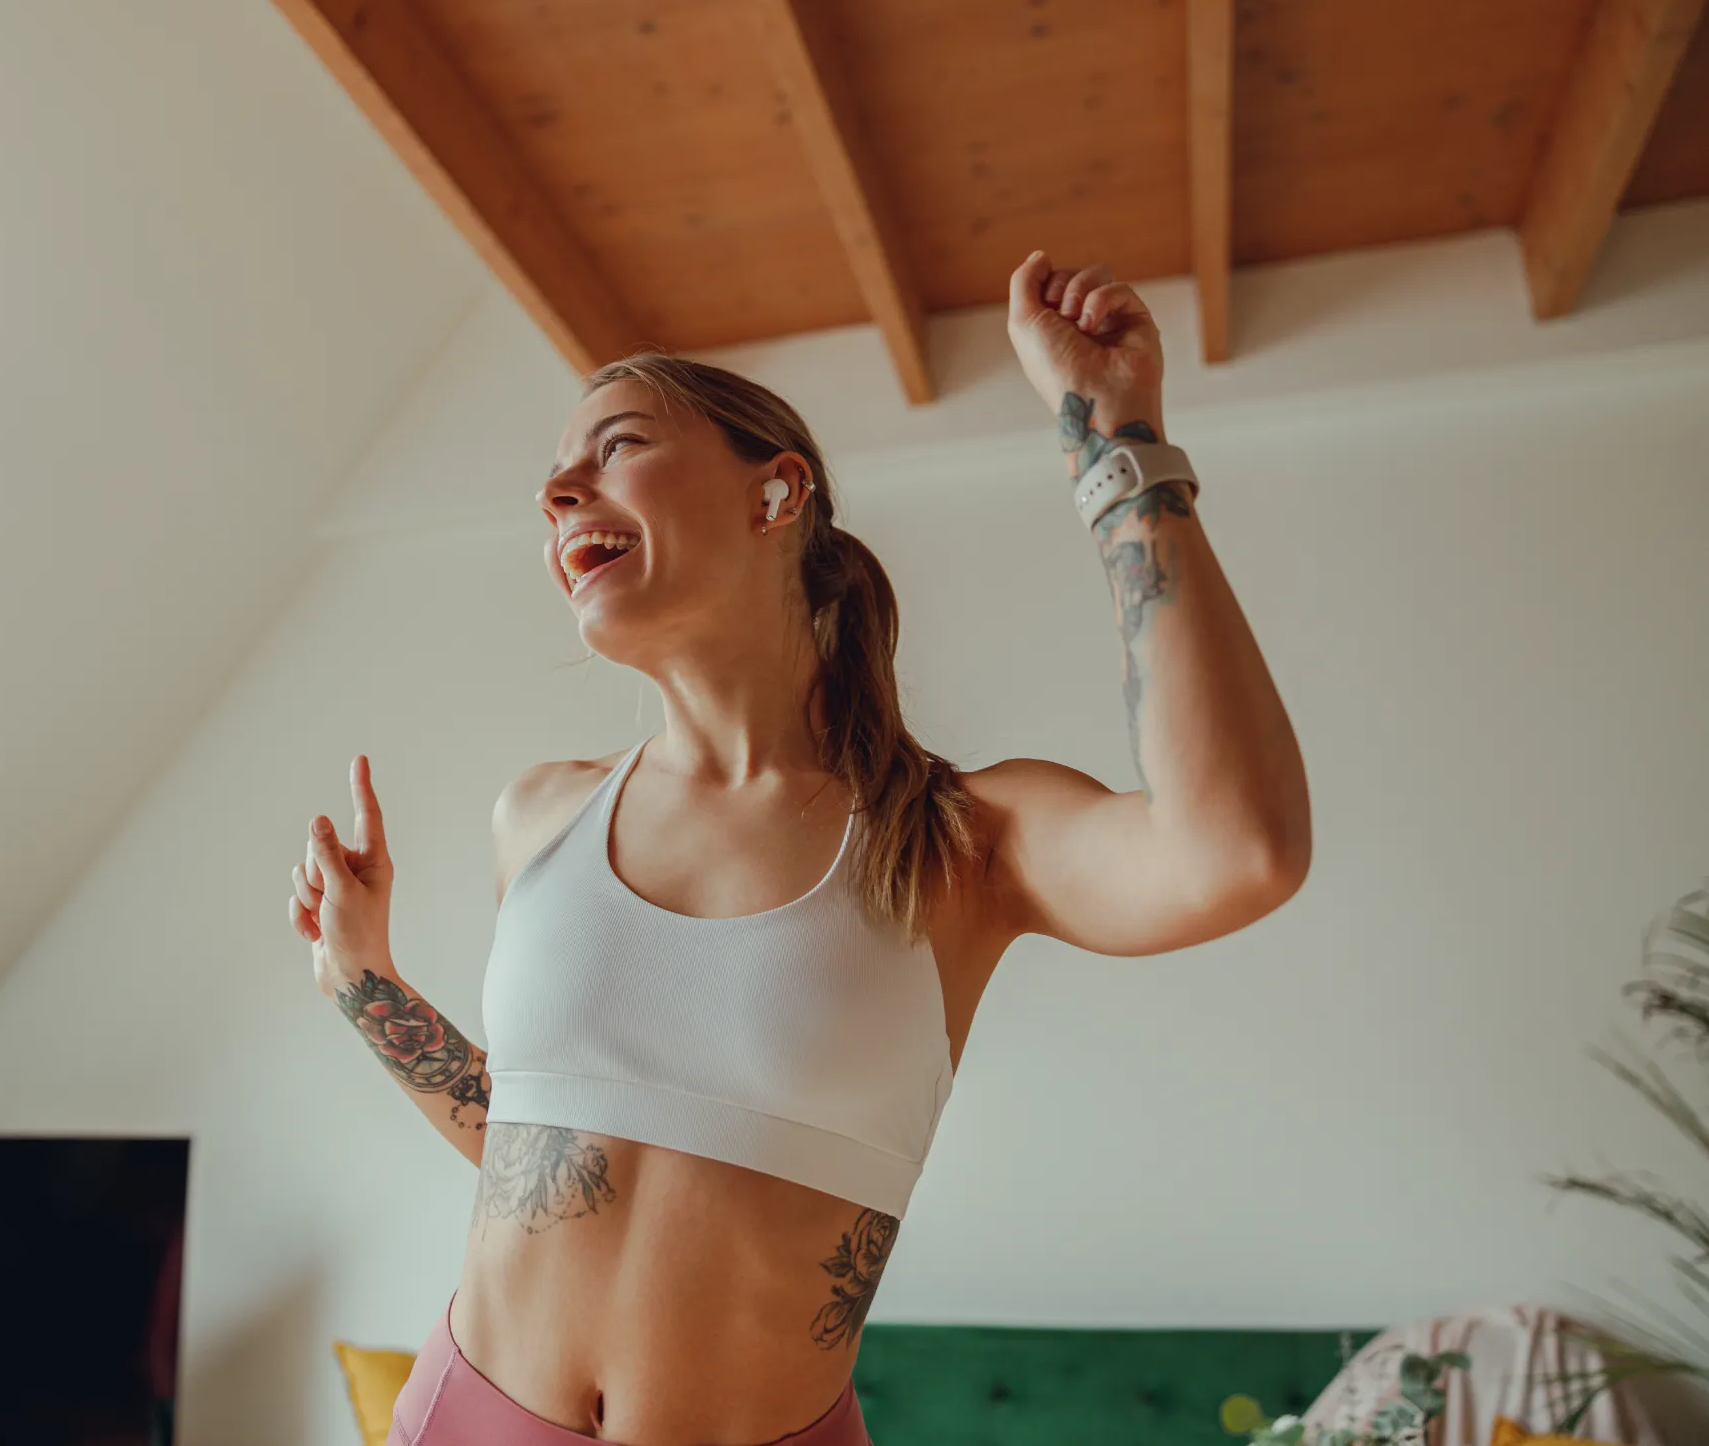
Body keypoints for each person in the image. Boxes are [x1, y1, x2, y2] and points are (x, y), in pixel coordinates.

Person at [288, 251, 1312, 1445]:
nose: (557, 489)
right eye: (556, 470)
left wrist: (1114, 436)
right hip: (466, 1414)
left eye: (613, 445)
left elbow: (1236, 849)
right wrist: (367, 989)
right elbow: (540, 1157)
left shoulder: (963, 840)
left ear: (776, 495)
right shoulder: (541, 815)